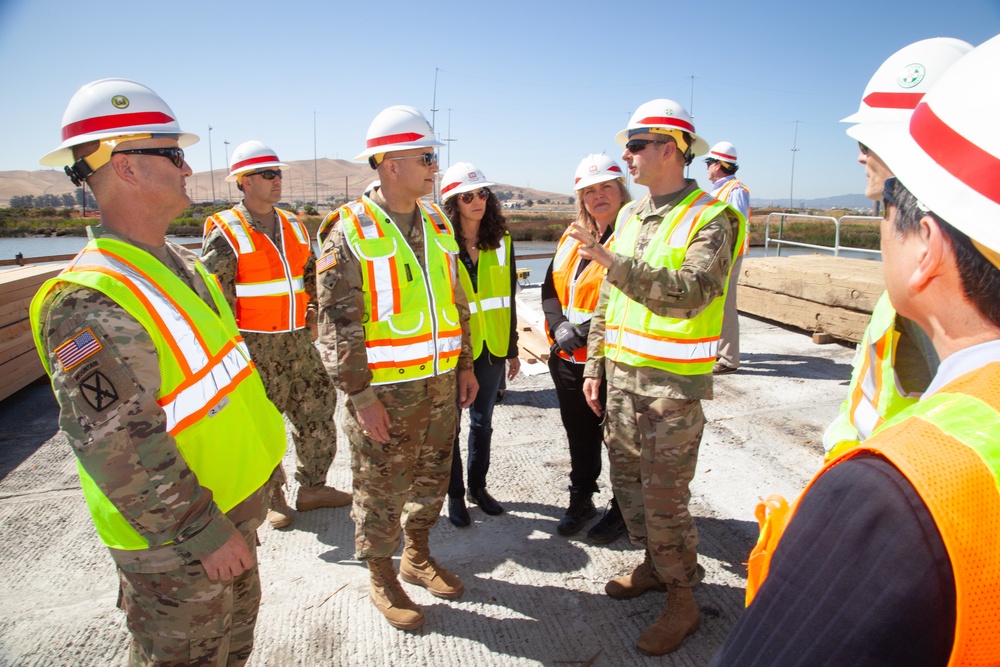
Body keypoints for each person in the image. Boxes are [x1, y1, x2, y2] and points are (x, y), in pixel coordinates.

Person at [712, 35, 1000, 665]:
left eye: (884, 207)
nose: (861, 159)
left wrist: (856, 508)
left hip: (889, 526)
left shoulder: (908, 491)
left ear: (926, 242)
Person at [30, 78, 286, 666]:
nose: (188, 167)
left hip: (228, 515)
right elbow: (116, 445)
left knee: (233, 653)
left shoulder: (182, 266)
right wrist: (201, 529)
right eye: (172, 154)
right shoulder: (87, 302)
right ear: (124, 168)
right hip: (180, 545)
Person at [569, 99, 743, 656]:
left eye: (637, 146)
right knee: (631, 491)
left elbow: (690, 294)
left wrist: (608, 260)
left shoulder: (713, 218)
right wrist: (595, 366)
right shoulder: (630, 215)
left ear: (671, 149)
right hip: (621, 381)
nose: (627, 155)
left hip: (670, 390)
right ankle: (653, 565)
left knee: (666, 499)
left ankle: (683, 600)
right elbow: (606, 303)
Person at [315, 105, 478, 631]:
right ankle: (382, 576)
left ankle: (418, 554)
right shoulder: (349, 229)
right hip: (385, 391)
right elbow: (338, 324)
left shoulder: (436, 220)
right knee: (380, 487)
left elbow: (456, 301)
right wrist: (359, 396)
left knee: (432, 478)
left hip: (439, 382)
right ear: (389, 164)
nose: (435, 166)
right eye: (426, 157)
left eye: (434, 157)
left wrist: (466, 364)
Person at [822, 37, 971, 461]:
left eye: (866, 144)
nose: (860, 157)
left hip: (909, 486)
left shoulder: (947, 263)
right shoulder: (924, 246)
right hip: (878, 473)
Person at [202, 140, 349, 529]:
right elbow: (215, 295)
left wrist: (314, 311)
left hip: (298, 339)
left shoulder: (293, 224)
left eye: (278, 173)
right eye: (267, 174)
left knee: (318, 407)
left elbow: (309, 274)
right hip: (254, 344)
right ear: (244, 182)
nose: (277, 180)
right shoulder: (226, 230)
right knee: (264, 423)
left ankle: (313, 487)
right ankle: (273, 496)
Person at [543, 153, 631, 542]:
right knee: (579, 434)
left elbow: (629, 296)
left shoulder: (631, 237)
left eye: (606, 188)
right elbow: (550, 289)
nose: (598, 196)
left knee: (621, 440)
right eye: (589, 191)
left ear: (621, 189)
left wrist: (580, 329)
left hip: (612, 359)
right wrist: (559, 325)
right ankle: (582, 498)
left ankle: (625, 509)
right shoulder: (573, 234)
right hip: (567, 359)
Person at [439, 162, 520, 527]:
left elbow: (509, 296)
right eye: (467, 196)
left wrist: (513, 347)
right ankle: (454, 495)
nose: (477, 201)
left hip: (493, 346)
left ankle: (478, 487)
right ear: (452, 203)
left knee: (482, 421)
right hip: (454, 350)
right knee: (450, 425)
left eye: (483, 193)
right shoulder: (439, 244)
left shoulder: (502, 240)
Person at [704, 142, 750, 375]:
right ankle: (716, 348)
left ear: (719, 165)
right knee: (715, 302)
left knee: (726, 304)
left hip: (728, 256)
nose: (707, 168)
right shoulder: (718, 190)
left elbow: (737, 225)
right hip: (716, 255)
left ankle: (729, 358)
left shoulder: (735, 190)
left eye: (709, 163)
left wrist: (726, 256)